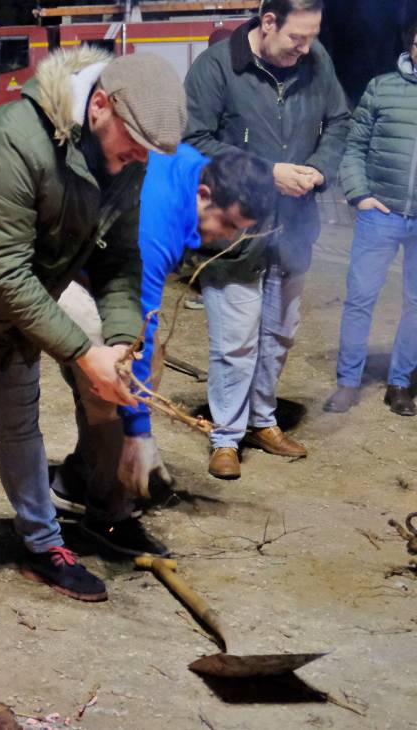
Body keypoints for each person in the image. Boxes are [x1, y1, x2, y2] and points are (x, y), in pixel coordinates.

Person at [0, 48, 187, 658]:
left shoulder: (124, 159)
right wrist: (82, 352)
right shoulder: (12, 140)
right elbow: (3, 271)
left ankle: (44, 544)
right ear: (99, 106)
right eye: (135, 145)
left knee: (21, 429)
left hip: (18, 303)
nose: (141, 160)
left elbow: (119, 260)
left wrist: (119, 341)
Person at [52, 147, 276, 556]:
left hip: (104, 269)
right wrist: (138, 433)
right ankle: (108, 514)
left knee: (144, 374)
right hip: (59, 271)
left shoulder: (195, 171)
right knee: (114, 388)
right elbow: (138, 327)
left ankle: (77, 479)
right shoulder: (159, 221)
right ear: (204, 194)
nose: (228, 238)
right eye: (228, 224)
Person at [183, 0, 349, 479]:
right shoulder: (216, 67)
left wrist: (319, 168)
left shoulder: (316, 61)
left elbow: (339, 121)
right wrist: (266, 172)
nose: (306, 48)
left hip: (293, 228)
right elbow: (192, 141)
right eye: (297, 37)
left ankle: (261, 420)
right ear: (269, 22)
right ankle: (226, 436)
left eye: (312, 37)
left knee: (278, 334)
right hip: (234, 231)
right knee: (235, 342)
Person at [326, 21, 417, 418]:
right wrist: (359, 194)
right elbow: (354, 147)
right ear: (411, 45)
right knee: (360, 298)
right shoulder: (382, 88)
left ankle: (400, 383)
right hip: (381, 214)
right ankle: (348, 382)